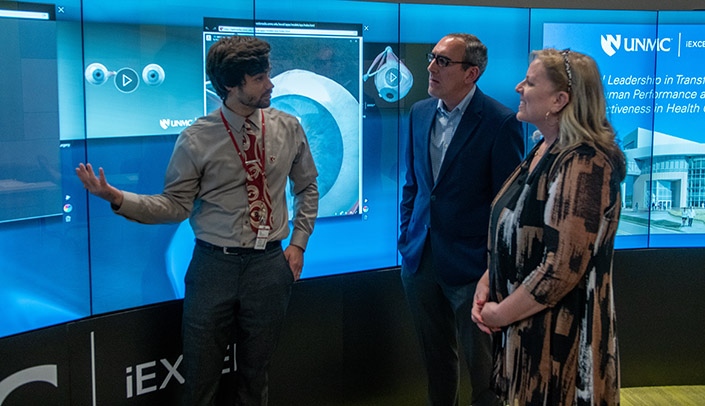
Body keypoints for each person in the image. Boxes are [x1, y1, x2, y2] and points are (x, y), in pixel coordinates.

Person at [75, 36, 319, 406]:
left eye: (267, 74)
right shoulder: (196, 139)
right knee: (200, 380)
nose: (270, 84)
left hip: (269, 267)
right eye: (259, 78)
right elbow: (174, 206)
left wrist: (298, 243)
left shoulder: (288, 127)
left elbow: (307, 186)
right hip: (213, 267)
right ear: (231, 85)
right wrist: (117, 198)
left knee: (256, 376)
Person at [471, 48, 625, 405]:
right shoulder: (543, 149)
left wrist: (499, 312)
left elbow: (560, 269)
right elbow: (515, 231)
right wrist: (488, 281)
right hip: (527, 341)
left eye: (530, 81)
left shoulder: (585, 162)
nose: (517, 87)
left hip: (560, 350)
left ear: (559, 100)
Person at [398, 33, 524, 406]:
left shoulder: (500, 122)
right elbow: (413, 185)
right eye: (432, 57)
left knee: (483, 371)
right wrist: (405, 240)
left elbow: (508, 204)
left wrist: (492, 265)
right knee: (436, 363)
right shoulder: (420, 112)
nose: (431, 68)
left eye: (442, 61)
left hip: (473, 269)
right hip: (420, 259)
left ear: (472, 73)